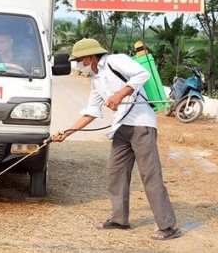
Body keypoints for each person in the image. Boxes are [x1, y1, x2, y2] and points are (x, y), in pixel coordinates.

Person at [51, 38, 181, 241]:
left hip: (141, 124)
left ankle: (169, 225)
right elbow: (91, 112)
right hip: (121, 127)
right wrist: (66, 133)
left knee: (150, 175)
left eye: (80, 60)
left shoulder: (115, 61)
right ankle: (120, 218)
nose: (78, 65)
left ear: (91, 56)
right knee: (115, 172)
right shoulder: (96, 80)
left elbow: (142, 73)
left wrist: (120, 95)